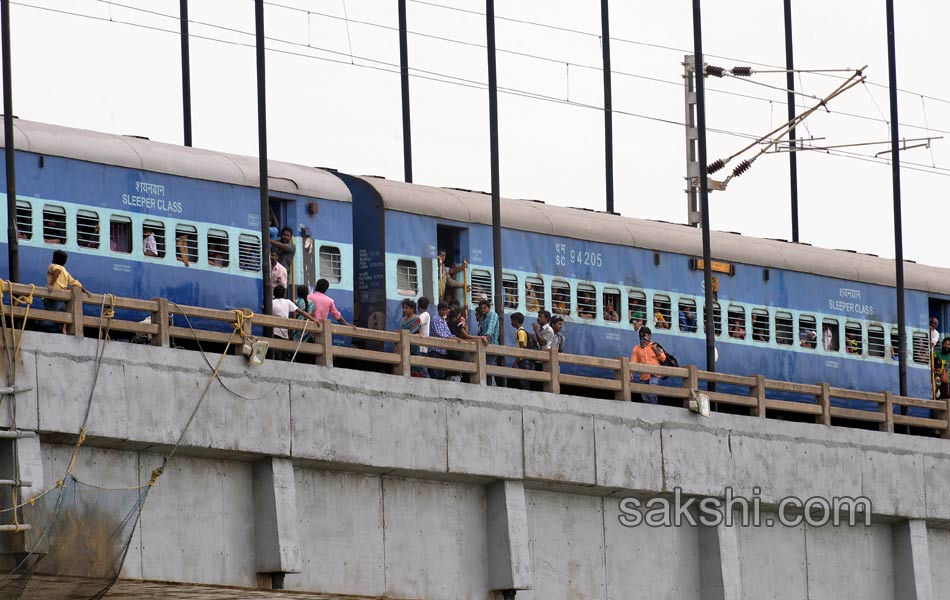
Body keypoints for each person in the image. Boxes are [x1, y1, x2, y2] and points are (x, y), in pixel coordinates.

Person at [45, 250, 91, 334]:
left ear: (54, 258)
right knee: (60, 318)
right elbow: (75, 282)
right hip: (62, 301)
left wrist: (51, 285)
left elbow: (57, 271)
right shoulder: (65, 271)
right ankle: (62, 330)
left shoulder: (53, 266)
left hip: (53, 299)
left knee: (49, 319)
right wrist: (85, 290)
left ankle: (48, 330)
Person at [630, 326, 667, 404]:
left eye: (644, 335)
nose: (642, 337)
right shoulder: (636, 349)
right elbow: (633, 362)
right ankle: (648, 411)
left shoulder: (655, 345)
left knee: (652, 389)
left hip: (655, 374)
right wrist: (631, 373)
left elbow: (663, 358)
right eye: (640, 335)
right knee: (645, 395)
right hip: (644, 376)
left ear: (649, 336)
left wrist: (655, 349)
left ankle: (654, 408)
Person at [427, 302, 456, 380]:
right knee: (435, 373)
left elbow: (448, 332)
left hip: (442, 350)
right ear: (438, 310)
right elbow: (440, 333)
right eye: (443, 310)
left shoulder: (443, 320)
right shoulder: (436, 319)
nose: (444, 312)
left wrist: (454, 337)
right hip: (435, 350)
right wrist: (451, 338)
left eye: (446, 310)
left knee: (441, 374)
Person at [399, 298, 426, 377]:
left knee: (415, 366)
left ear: (412, 309)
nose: (404, 310)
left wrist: (419, 334)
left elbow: (417, 330)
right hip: (404, 345)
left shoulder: (417, 319)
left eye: (406, 308)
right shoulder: (403, 319)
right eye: (404, 308)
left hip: (414, 346)